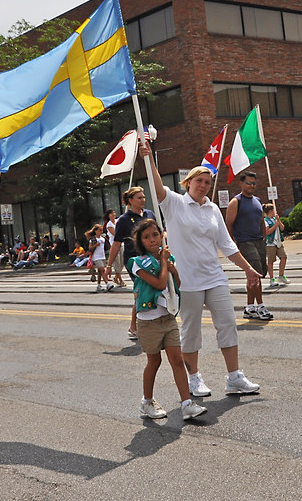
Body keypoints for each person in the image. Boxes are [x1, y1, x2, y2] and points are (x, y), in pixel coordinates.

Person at [141, 139, 262, 398]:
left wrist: (249, 270)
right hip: (187, 281)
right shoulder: (174, 203)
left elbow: (227, 245)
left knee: (228, 323)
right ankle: (194, 378)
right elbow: (157, 185)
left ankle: (234, 377)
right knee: (191, 331)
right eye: (199, 181)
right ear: (188, 183)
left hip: (214, 277)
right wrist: (148, 157)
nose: (204, 186)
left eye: (207, 182)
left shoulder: (213, 209)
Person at [130, 219, 208, 421]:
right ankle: (146, 402)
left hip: (167, 317)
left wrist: (174, 270)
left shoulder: (167, 257)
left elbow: (174, 285)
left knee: (177, 359)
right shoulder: (138, 262)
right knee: (153, 362)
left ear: (161, 235)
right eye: (146, 237)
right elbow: (159, 283)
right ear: (140, 241)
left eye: (155, 235)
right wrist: (165, 263)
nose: (152, 240)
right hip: (148, 321)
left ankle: (186, 404)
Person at [106, 186, 156, 340]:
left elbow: (159, 233)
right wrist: (109, 265)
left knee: (156, 289)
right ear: (130, 201)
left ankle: (150, 324)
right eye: (139, 197)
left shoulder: (150, 214)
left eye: (143, 197)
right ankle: (135, 326)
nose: (143, 200)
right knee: (143, 290)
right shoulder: (123, 220)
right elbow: (116, 244)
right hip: (135, 261)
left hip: (152, 257)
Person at [225, 171, 271, 320]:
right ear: (241, 183)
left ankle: (250, 308)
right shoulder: (236, 201)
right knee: (255, 275)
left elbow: (260, 221)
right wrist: (233, 245)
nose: (251, 186)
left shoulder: (257, 200)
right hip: (244, 242)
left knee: (256, 276)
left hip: (259, 241)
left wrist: (264, 238)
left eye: (253, 183)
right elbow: (228, 224)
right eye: (248, 183)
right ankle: (261, 306)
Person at [263, 203, 289, 288]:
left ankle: (281, 275)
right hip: (270, 243)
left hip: (278, 242)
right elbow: (267, 232)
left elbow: (282, 228)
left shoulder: (275, 219)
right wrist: (275, 225)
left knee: (283, 257)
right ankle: (271, 278)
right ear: (270, 211)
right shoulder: (266, 221)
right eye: (273, 210)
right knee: (271, 261)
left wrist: (279, 221)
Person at [85, 224, 111, 291]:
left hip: (103, 256)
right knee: (102, 270)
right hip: (96, 257)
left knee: (100, 272)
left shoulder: (103, 239)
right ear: (96, 231)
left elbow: (105, 247)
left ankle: (98, 285)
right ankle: (107, 284)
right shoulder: (93, 239)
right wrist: (95, 245)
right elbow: (90, 248)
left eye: (102, 230)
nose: (101, 232)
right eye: (100, 230)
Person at [104, 210, 125, 287]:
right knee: (117, 263)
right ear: (109, 215)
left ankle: (116, 277)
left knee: (122, 262)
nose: (114, 214)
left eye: (114, 213)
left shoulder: (117, 221)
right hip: (114, 245)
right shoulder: (109, 224)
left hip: (121, 244)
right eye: (112, 213)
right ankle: (120, 279)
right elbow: (116, 234)